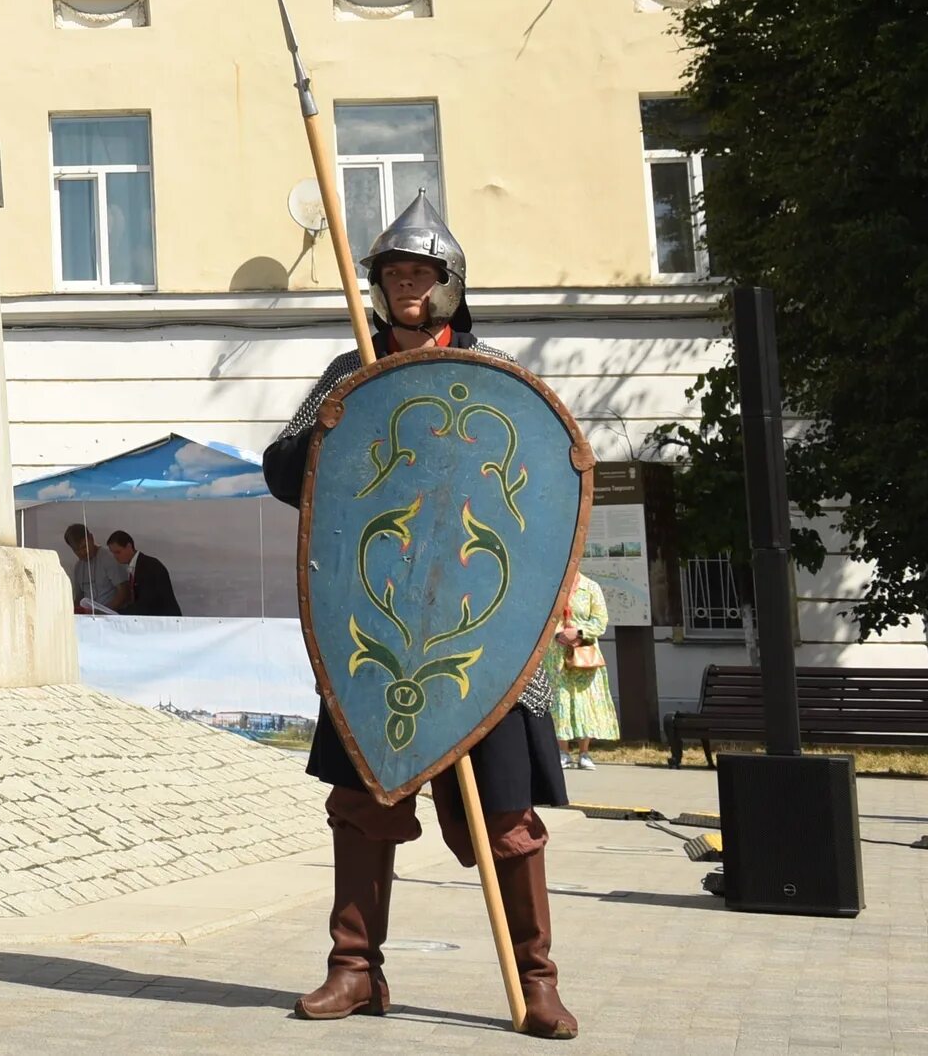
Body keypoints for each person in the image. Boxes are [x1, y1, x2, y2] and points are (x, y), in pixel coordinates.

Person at [262, 196, 577, 1038]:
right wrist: (335, 419)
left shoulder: (497, 377)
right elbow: (288, 476)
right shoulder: (348, 370)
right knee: (362, 809)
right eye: (394, 273)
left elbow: (543, 499)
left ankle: (537, 981)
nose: (406, 285)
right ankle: (355, 970)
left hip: (483, 633)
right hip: (381, 629)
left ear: (449, 285)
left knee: (507, 822)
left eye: (421, 273)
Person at [550, 572, 617, 770]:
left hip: (583, 652)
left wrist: (578, 632)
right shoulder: (553, 585)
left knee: (585, 702)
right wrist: (559, 634)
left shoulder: (590, 587)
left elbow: (600, 621)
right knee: (559, 700)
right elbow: (544, 618)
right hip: (556, 654)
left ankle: (584, 753)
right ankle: (563, 751)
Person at [109, 531, 184, 617]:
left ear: (129, 546)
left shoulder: (149, 567)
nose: (115, 556)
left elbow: (146, 603)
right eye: (113, 553)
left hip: (165, 622)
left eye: (118, 552)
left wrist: (118, 614)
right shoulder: (140, 566)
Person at [62, 521, 125, 614]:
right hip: (89, 619)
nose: (83, 552)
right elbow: (79, 599)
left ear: (91, 538)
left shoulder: (108, 558)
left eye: (84, 547)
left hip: (111, 617)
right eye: (77, 550)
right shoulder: (78, 568)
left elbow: (124, 593)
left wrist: (101, 613)